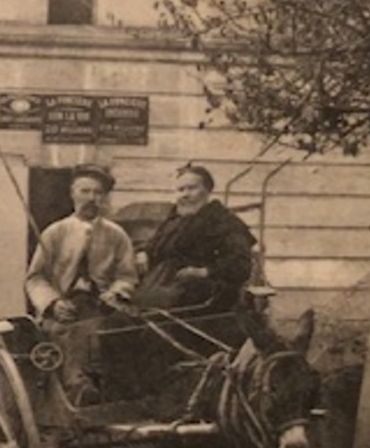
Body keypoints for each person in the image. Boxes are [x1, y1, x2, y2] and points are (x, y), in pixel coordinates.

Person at [25, 164, 139, 407]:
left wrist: (116, 293)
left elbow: (127, 275)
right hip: (65, 309)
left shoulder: (116, 235)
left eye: (98, 193)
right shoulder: (55, 232)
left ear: (104, 198)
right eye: (85, 191)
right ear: (73, 194)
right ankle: (78, 387)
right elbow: (35, 278)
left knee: (121, 331)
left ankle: (122, 396)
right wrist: (52, 303)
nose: (91, 198)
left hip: (103, 307)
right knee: (68, 332)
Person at [134, 163, 256, 312]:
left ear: (207, 190)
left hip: (202, 293)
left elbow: (241, 266)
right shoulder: (175, 220)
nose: (185, 194)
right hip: (163, 284)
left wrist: (204, 272)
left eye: (192, 188)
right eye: (180, 189)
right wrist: (143, 253)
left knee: (145, 310)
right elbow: (154, 245)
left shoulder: (225, 222)